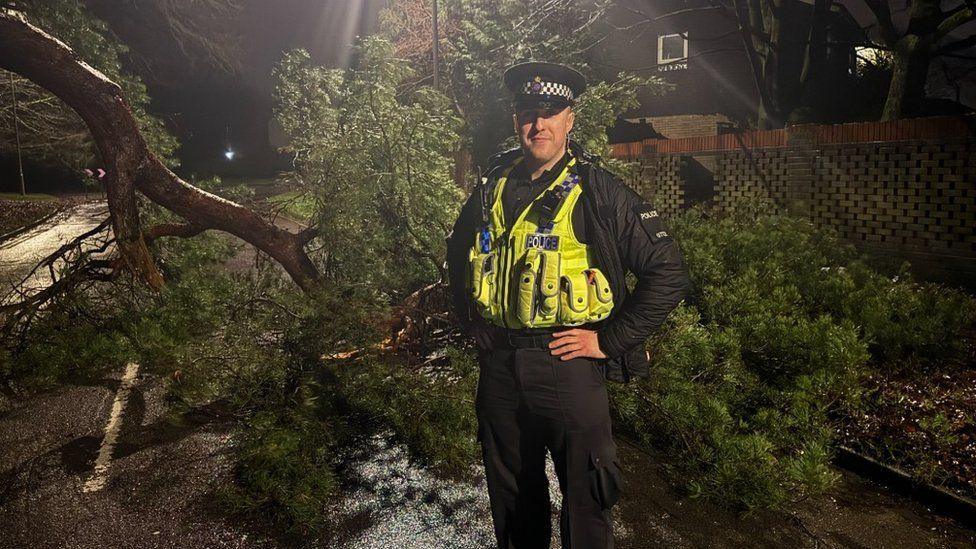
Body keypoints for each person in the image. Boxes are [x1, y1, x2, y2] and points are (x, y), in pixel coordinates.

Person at [445, 61, 689, 548]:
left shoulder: (598, 192)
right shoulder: (492, 185)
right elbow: (457, 253)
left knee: (586, 499)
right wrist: (471, 318)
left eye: (550, 112)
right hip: (499, 367)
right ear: (516, 120)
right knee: (512, 500)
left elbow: (669, 273)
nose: (538, 125)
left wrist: (608, 341)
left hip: (567, 363)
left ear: (570, 119)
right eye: (528, 113)